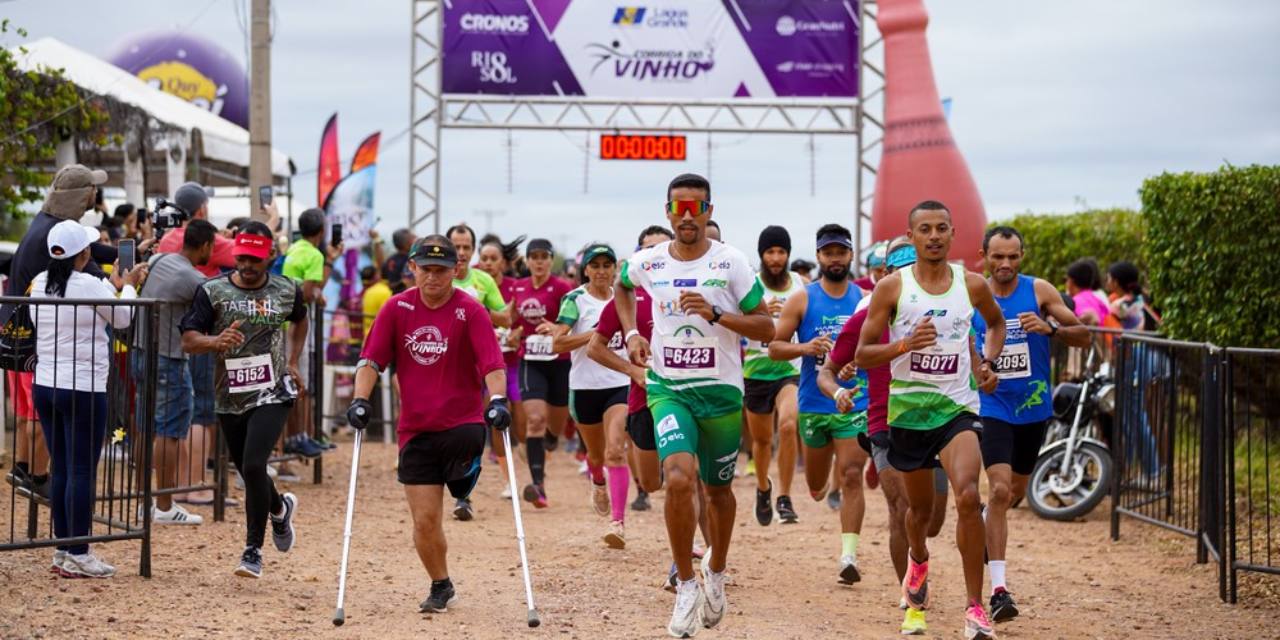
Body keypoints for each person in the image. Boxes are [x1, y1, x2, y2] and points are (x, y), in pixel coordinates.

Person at [615, 173, 775, 637]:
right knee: (679, 478)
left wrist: (717, 314)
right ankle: (686, 582)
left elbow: (767, 328)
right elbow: (623, 286)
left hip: (722, 395)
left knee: (718, 492)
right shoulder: (648, 262)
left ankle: (717, 570)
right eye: (679, 209)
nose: (687, 217)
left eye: (696, 208)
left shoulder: (732, 264)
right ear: (667, 211)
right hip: (669, 389)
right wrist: (631, 333)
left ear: (709, 211)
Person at [854, 200, 1005, 640]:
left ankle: (975, 608)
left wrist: (987, 363)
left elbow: (995, 325)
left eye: (942, 228)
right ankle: (918, 561)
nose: (934, 236)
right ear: (912, 235)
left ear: (953, 233)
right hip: (909, 413)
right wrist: (905, 346)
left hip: (958, 408)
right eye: (925, 229)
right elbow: (863, 355)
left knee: (966, 495)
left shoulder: (972, 285)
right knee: (918, 512)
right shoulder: (891, 288)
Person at [346, 235, 510, 613]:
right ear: (413, 269)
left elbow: (492, 364)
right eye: (426, 270)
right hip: (416, 430)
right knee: (424, 520)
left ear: (456, 270)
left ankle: (464, 479)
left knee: (464, 455)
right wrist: (359, 400)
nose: (433, 278)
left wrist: (498, 401)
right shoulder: (395, 309)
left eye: (441, 270)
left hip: (463, 425)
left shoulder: (470, 311)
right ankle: (440, 583)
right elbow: (371, 361)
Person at [824, 237, 946, 634]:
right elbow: (829, 368)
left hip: (938, 422)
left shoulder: (944, 312)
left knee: (931, 520)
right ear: (885, 275)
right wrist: (839, 390)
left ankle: (918, 561)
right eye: (896, 271)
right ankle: (912, 597)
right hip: (885, 425)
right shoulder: (865, 320)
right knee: (901, 510)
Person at [974, 226, 1091, 623]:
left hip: (1033, 411)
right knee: (999, 488)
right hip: (991, 407)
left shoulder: (1040, 291)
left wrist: (1051, 328)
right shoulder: (973, 295)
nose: (1005, 264)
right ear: (984, 255)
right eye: (997, 257)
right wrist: (979, 371)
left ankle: (986, 527)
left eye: (1013, 257)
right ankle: (999, 591)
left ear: (1022, 256)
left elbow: (1084, 336)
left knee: (1013, 494)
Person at [180, 221, 305, 578]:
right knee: (247, 468)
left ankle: (252, 550)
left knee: (253, 466)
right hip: (229, 395)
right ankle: (279, 508)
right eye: (243, 258)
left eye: (256, 259)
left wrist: (293, 361)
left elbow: (301, 320)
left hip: (273, 390)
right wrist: (214, 341)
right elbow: (188, 339)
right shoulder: (213, 291)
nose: (248, 266)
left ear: (270, 256)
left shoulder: (286, 289)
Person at [31, 220, 145, 578]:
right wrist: (127, 288)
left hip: (46, 383)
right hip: (83, 387)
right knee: (81, 470)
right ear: (84, 253)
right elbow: (123, 319)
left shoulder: (38, 284)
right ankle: (79, 551)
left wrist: (112, 289)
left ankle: (64, 549)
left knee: (62, 467)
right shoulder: (91, 284)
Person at [2, 165, 118, 503]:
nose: (95, 195)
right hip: (35, 336)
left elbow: (90, 253)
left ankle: (25, 469)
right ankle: (38, 478)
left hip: (16, 327)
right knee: (38, 413)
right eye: (92, 189)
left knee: (28, 409)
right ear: (82, 196)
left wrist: (127, 251)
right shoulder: (56, 233)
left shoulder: (45, 225)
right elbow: (92, 271)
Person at [768, 223, 870, 583]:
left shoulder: (865, 299)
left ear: (850, 255)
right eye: (828, 253)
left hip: (854, 402)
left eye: (841, 252)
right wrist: (806, 348)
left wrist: (863, 359)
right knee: (815, 487)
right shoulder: (803, 298)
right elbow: (775, 348)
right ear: (819, 257)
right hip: (812, 403)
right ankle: (822, 481)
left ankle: (848, 556)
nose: (835, 258)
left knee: (853, 474)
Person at [133, 219, 217, 525]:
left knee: (144, 428)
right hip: (169, 359)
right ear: (206, 245)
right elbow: (215, 305)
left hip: (141, 352)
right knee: (168, 432)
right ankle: (165, 505)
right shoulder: (192, 278)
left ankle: (143, 501)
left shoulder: (159, 260)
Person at [552, 244, 632, 548]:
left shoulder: (625, 298)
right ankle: (598, 481)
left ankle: (618, 523)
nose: (601, 271)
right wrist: (597, 332)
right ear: (585, 270)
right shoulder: (575, 300)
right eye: (595, 265)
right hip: (585, 387)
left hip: (618, 383)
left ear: (614, 269)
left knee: (615, 451)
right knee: (596, 456)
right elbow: (558, 344)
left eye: (606, 265)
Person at [742, 225, 804, 525]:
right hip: (756, 369)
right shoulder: (750, 285)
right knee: (763, 441)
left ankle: (785, 496)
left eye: (781, 251)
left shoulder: (801, 286)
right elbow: (737, 323)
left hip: (790, 370)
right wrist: (763, 316)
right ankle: (764, 487)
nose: (776, 258)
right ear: (762, 255)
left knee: (789, 425)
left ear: (788, 254)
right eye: (770, 252)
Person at [509, 238, 575, 508]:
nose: (538, 261)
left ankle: (549, 441)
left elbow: (572, 320)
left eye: (543, 256)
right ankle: (538, 486)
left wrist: (557, 327)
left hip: (559, 360)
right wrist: (514, 332)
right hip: (531, 360)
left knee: (555, 428)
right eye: (533, 256)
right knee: (535, 419)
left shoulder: (562, 287)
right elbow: (511, 318)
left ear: (551, 260)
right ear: (526, 261)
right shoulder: (519, 286)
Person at [280, 208, 342, 461]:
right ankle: (298, 438)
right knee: (298, 381)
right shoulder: (314, 255)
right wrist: (318, 288)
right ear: (321, 231)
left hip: (285, 323)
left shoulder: (294, 248)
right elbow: (308, 292)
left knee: (293, 381)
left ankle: (301, 436)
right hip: (297, 325)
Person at [478, 236, 528, 499]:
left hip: (513, 362)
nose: (487, 264)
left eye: (493, 259)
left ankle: (526, 460)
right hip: (485, 366)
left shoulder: (515, 287)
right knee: (496, 418)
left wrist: (517, 331)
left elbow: (523, 320)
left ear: (504, 263)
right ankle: (509, 479)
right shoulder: (474, 287)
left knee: (521, 422)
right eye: (484, 258)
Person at [447, 223, 509, 328]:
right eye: (456, 247)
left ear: (473, 250)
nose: (461, 252)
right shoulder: (437, 279)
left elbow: (506, 321)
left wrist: (480, 308)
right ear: (447, 249)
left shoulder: (485, 279)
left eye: (466, 247)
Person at [1064, 259, 1109, 326]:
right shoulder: (1097, 299)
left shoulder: (1077, 301)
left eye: (1066, 280)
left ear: (1071, 281)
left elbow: (1092, 318)